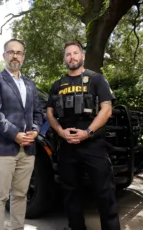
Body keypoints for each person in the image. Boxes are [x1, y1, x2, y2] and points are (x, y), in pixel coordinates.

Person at [46, 41, 121, 230]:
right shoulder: (57, 85)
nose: (72, 57)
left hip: (93, 144)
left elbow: (106, 110)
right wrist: (61, 132)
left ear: (83, 56)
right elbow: (49, 113)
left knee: (105, 192)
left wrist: (87, 133)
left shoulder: (97, 80)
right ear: (64, 59)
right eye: (68, 54)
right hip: (67, 146)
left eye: (75, 53)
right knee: (70, 192)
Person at [0, 38, 43, 230]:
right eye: (11, 52)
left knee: (20, 195)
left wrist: (35, 130)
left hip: (27, 149)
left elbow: (38, 113)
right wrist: (15, 133)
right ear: (4, 55)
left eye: (19, 52)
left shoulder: (30, 84)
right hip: (2, 148)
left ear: (23, 57)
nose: (15, 55)